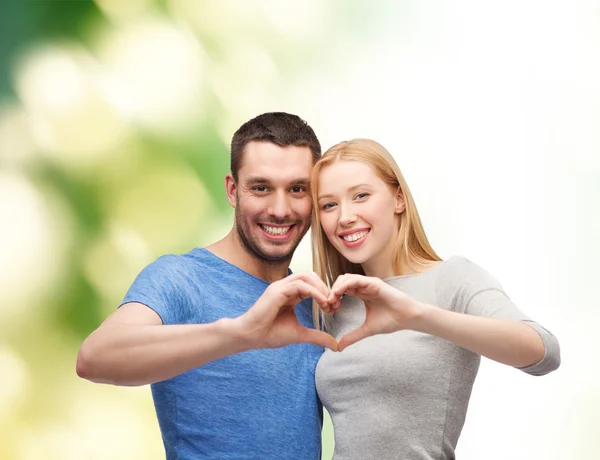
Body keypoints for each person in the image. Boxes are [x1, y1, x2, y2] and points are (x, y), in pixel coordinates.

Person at [76, 112, 338, 460]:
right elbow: (95, 358)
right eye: (261, 188)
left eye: (297, 189)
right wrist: (242, 333)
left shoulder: (311, 302)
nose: (280, 209)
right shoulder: (181, 278)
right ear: (233, 190)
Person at [311, 138, 561, 460]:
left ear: (398, 198)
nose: (345, 216)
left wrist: (415, 315)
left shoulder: (450, 279)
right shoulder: (336, 304)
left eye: (361, 195)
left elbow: (545, 352)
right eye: (329, 205)